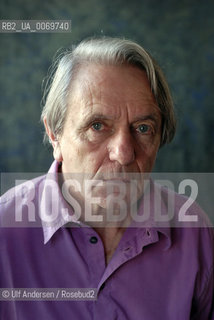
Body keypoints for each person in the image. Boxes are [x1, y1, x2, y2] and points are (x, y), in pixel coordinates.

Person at [0, 37, 213, 320]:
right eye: (97, 125)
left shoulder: (193, 231)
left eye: (143, 128)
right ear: (55, 135)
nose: (124, 154)